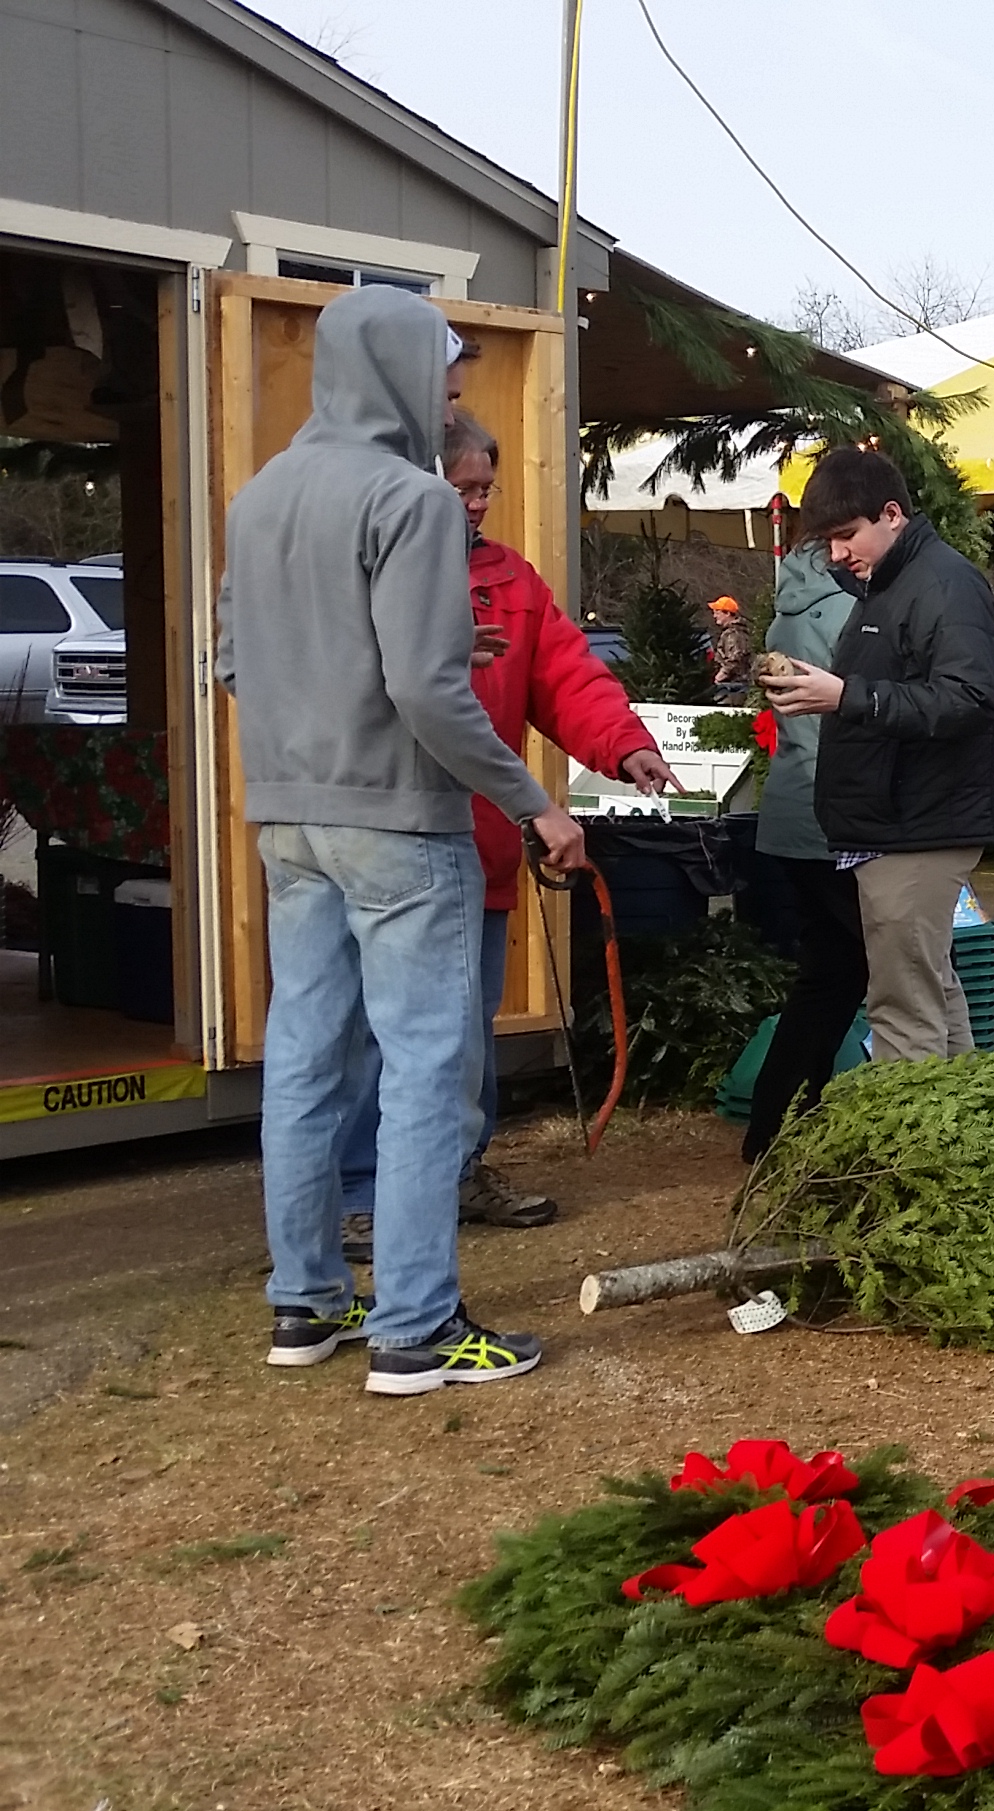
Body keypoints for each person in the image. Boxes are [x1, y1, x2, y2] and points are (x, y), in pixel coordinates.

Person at [218, 286, 585, 1396]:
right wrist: (537, 803)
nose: (452, 398)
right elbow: (428, 694)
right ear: (389, 372)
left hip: (287, 818)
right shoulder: (412, 500)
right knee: (430, 1076)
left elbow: (237, 662)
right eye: (444, 377)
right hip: (397, 821)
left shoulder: (261, 495)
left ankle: (306, 1304)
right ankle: (415, 1331)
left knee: (304, 1060)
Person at [333, 407, 680, 1250]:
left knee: (464, 1029)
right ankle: (357, 1189)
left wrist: (625, 745)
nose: (479, 504)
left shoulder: (513, 581)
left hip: (480, 849)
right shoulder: (369, 573)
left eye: (487, 488)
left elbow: (567, 676)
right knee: (381, 1032)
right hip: (386, 842)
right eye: (463, 489)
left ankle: (457, 1168)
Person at [765, 448, 994, 1062]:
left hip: (918, 826)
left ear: (892, 515)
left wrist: (845, 696)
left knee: (902, 1011)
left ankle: (908, 1153)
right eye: (829, 542)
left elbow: (969, 699)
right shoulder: (892, 583)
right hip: (896, 824)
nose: (838, 554)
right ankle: (958, 1139)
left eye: (847, 536)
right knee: (935, 994)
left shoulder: (945, 585)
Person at [741, 546, 867, 1161]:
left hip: (793, 809)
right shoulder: (851, 610)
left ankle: (782, 1120)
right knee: (878, 966)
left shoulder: (789, 609)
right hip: (833, 813)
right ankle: (784, 1120)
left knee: (833, 974)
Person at [704, 594, 755, 700]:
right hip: (734, 685)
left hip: (734, 688)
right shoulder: (735, 632)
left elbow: (735, 660)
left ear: (727, 613)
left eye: (717, 612)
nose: (714, 616)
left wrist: (719, 677)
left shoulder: (734, 634)